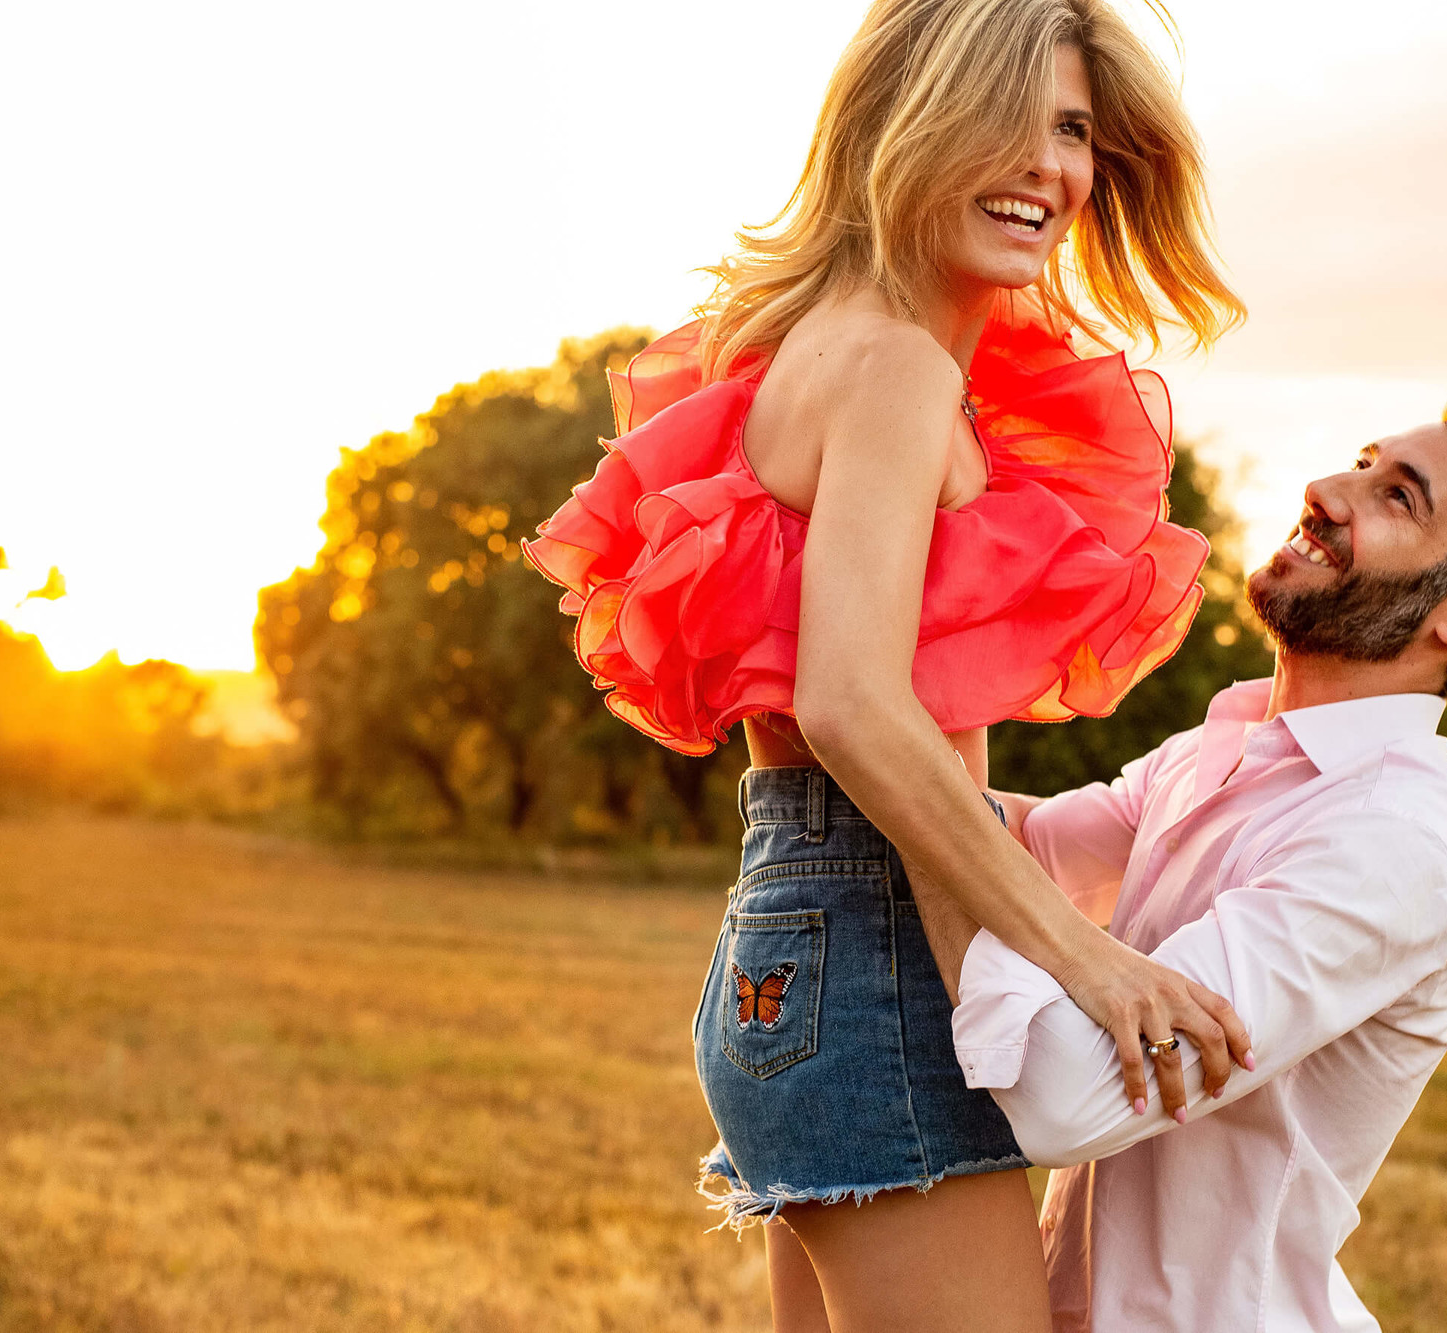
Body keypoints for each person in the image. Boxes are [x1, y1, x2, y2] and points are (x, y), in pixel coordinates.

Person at [524, 1, 1254, 1328]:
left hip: (799, 941)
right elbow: (849, 702)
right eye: (1004, 118)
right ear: (903, 127)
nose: (1052, 167)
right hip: (867, 948)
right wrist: (1095, 965)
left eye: (1075, 130)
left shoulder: (819, 349)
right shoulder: (896, 370)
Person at [908, 379, 1447, 1332]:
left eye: (1399, 496)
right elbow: (1021, 847)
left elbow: (1065, 1094)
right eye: (1364, 463)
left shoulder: (1397, 842)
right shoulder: (1226, 741)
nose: (1327, 487)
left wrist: (907, 790)